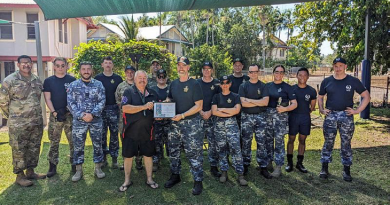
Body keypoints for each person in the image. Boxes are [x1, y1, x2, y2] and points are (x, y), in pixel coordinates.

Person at [318, 57, 370, 182]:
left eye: (341, 65)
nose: (338, 68)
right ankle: (324, 168)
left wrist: (357, 111)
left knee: (346, 143)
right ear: (333, 67)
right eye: (336, 66)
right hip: (331, 116)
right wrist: (321, 109)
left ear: (345, 66)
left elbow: (366, 96)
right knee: (328, 142)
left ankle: (346, 170)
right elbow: (320, 96)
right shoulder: (327, 81)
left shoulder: (353, 81)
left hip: (346, 116)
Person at [0, 55, 46, 187]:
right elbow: (3, 102)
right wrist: (13, 117)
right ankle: (20, 176)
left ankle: (30, 171)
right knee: (19, 149)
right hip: (18, 123)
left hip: (35, 121)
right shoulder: (10, 80)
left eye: (28, 62)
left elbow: (37, 97)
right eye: (23, 63)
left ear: (32, 64)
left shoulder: (36, 79)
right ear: (18, 64)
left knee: (34, 147)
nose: (26, 65)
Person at [164, 56, 204, 195]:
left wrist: (182, 115)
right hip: (175, 124)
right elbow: (170, 98)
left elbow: (199, 106)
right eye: (179, 65)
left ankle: (198, 180)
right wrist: (164, 104)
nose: (181, 67)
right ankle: (175, 175)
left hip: (191, 124)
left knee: (194, 152)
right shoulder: (173, 83)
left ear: (188, 68)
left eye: (183, 65)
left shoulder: (194, 84)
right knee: (173, 151)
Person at [119, 70, 159, 192]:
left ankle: (149, 179)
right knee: (128, 156)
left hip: (148, 131)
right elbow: (125, 108)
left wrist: (159, 115)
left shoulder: (152, 93)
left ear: (147, 80)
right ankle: (127, 180)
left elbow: (157, 110)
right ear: (135, 79)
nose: (142, 80)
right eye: (140, 78)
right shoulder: (129, 91)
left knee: (148, 155)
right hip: (130, 131)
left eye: (144, 78)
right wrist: (144, 106)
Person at [67, 61, 106, 182]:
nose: (86, 71)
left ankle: (98, 168)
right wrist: (82, 115)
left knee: (98, 144)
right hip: (79, 121)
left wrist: (92, 114)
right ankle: (78, 170)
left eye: (88, 69)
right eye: (83, 69)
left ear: (92, 70)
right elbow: (70, 103)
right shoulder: (73, 85)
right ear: (80, 71)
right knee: (78, 146)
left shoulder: (98, 84)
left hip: (96, 120)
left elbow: (102, 101)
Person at [43, 57, 76, 177]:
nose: (60, 68)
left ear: (67, 66)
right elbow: (47, 98)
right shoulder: (49, 81)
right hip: (55, 116)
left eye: (63, 65)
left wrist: (68, 110)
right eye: (58, 65)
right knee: (54, 142)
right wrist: (54, 112)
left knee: (73, 141)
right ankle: (52, 166)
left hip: (70, 116)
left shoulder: (72, 80)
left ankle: (74, 164)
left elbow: (75, 98)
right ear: (54, 67)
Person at [212, 75, 248, 186]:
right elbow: (214, 112)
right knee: (221, 149)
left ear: (230, 84)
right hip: (219, 126)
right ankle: (224, 172)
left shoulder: (235, 96)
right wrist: (229, 111)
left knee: (236, 149)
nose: (225, 85)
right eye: (222, 83)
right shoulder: (216, 97)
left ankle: (240, 174)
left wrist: (222, 109)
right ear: (220, 84)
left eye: (227, 82)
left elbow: (237, 110)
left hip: (232, 126)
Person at [238, 64, 272, 179]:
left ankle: (263, 166)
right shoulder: (243, 86)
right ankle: (246, 164)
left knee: (261, 142)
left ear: (259, 72)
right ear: (248, 73)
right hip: (246, 116)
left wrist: (250, 100)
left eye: (255, 71)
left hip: (260, 117)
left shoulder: (263, 86)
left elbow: (265, 102)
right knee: (246, 141)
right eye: (251, 72)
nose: (253, 74)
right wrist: (258, 101)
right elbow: (243, 103)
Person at [265, 65, 297, 177]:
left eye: (281, 72)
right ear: (273, 73)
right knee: (268, 140)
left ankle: (278, 166)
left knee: (279, 141)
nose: (279, 74)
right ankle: (268, 163)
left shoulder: (288, 87)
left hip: (280, 116)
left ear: (284, 74)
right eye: (277, 72)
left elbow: (294, 104)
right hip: (268, 115)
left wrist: (285, 109)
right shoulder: (267, 86)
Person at [286, 68, 317, 173]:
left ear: (308, 77)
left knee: (302, 140)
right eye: (300, 75)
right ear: (296, 76)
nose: (302, 77)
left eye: (305, 75)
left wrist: (306, 112)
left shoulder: (311, 91)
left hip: (305, 118)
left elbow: (312, 107)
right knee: (291, 139)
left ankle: (299, 163)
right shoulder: (291, 89)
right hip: (293, 117)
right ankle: (289, 163)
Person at [95, 56, 123, 169]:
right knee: (102, 135)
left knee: (114, 135)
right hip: (101, 110)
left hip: (114, 110)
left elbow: (121, 95)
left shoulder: (118, 78)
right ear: (102, 65)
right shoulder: (97, 78)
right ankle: (103, 159)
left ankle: (114, 159)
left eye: (110, 63)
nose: (107, 65)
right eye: (105, 63)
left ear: (112, 65)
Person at [196, 61, 221, 178]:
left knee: (213, 142)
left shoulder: (217, 83)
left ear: (212, 70)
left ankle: (213, 166)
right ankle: (198, 166)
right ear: (202, 70)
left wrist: (210, 112)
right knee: (197, 142)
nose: (206, 70)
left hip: (213, 117)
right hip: (199, 116)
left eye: (209, 68)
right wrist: (201, 112)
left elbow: (220, 100)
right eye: (204, 68)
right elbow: (193, 99)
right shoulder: (196, 83)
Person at [115, 65, 137, 170]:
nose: (129, 74)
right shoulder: (121, 86)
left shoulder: (139, 85)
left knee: (138, 137)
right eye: (127, 72)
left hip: (137, 117)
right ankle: (125, 161)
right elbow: (118, 100)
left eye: (131, 72)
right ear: (125, 73)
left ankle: (138, 161)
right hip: (123, 118)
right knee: (124, 139)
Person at [150, 69, 170, 172]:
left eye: (163, 76)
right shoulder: (152, 89)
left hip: (169, 121)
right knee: (156, 141)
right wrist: (154, 115)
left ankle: (172, 161)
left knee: (170, 141)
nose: (161, 78)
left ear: (166, 77)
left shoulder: (170, 89)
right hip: (156, 121)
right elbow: (150, 104)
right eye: (159, 76)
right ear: (156, 78)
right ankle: (156, 161)